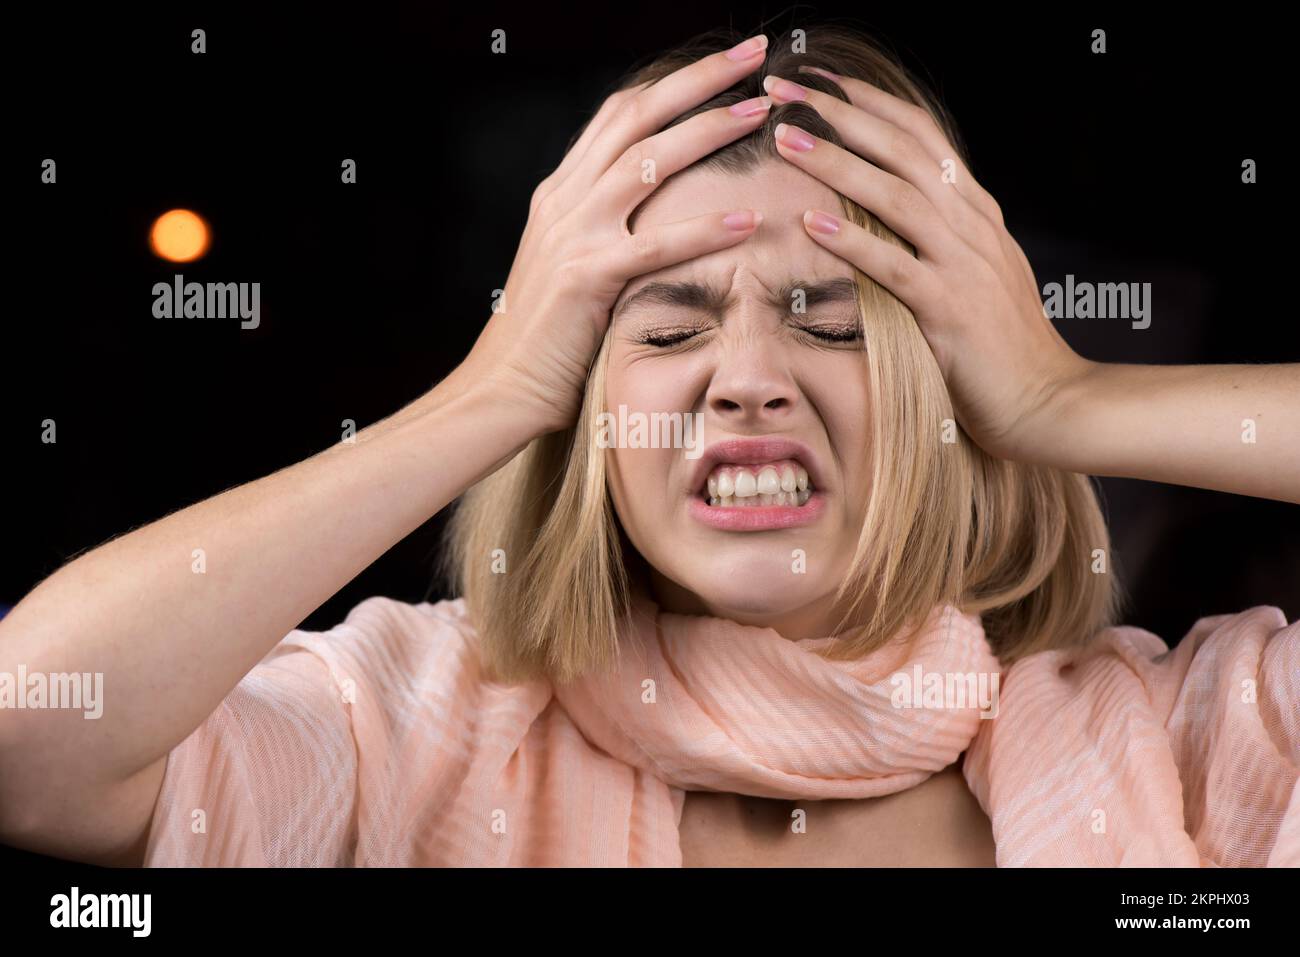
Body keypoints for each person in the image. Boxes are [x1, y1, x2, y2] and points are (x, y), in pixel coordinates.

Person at [0, 26, 1295, 867]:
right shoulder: (420, 732)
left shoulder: (1200, 742)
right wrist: (490, 393)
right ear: (581, 410)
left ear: (950, 397)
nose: (745, 382)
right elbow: (26, 737)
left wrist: (1068, 400)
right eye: (668, 329)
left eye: (829, 324)